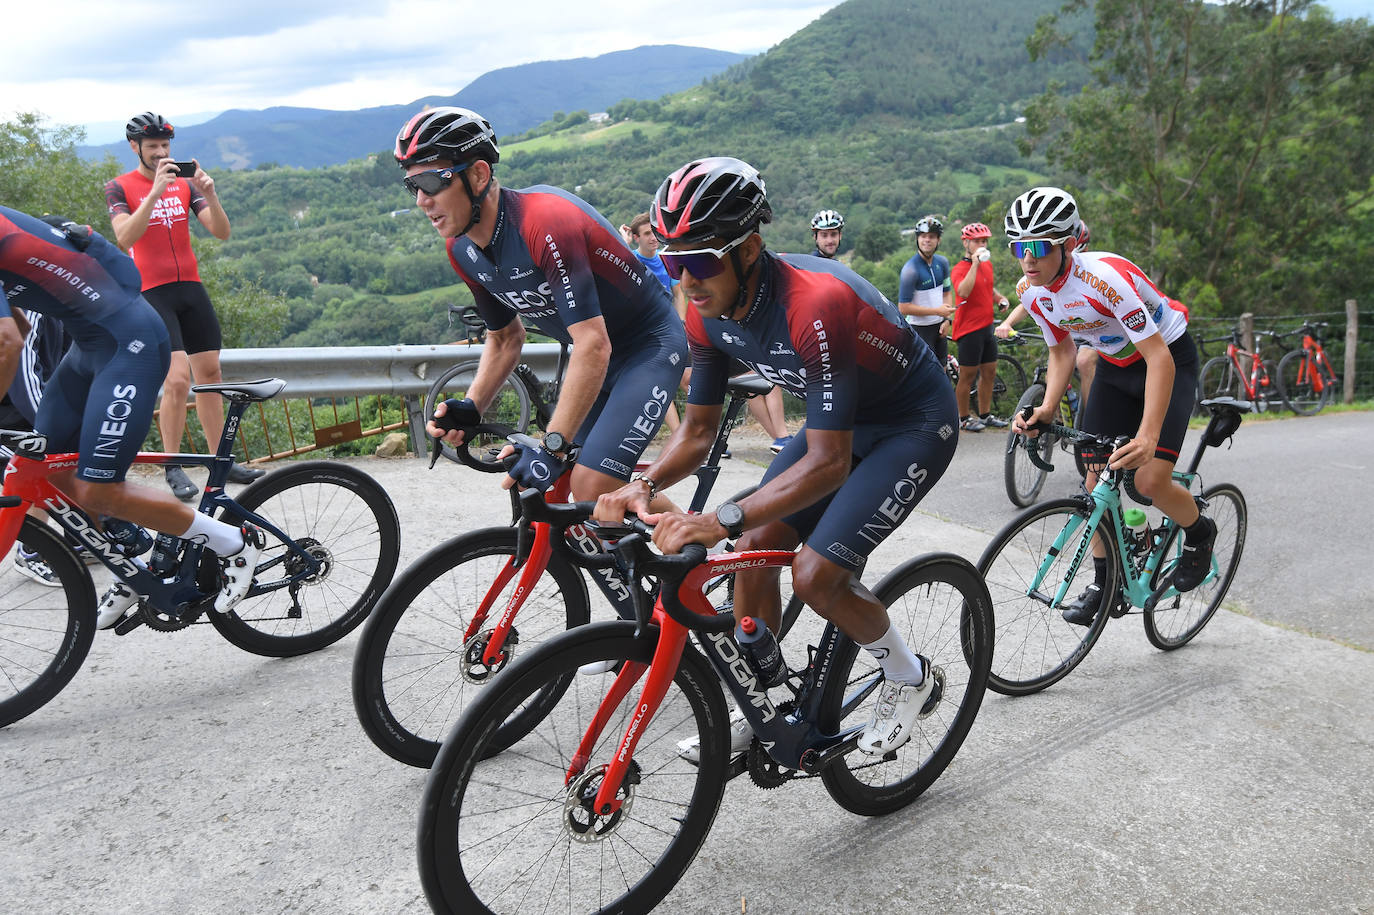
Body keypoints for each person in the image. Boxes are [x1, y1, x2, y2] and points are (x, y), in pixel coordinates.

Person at [594, 157, 959, 760]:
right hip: (835, 425)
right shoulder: (707, 313)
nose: (685, 279)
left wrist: (717, 519)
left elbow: (828, 464)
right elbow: (696, 432)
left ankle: (908, 675)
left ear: (749, 249)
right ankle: (769, 702)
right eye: (671, 261)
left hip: (909, 423)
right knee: (748, 556)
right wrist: (642, 483)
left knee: (815, 575)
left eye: (699, 261)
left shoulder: (814, 304)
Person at [401, 108, 686, 508]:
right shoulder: (461, 248)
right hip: (598, 359)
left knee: (592, 486)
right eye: (411, 185)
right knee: (558, 491)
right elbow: (504, 338)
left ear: (479, 175)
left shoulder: (544, 223)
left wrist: (551, 447)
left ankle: (690, 549)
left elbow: (593, 343)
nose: (420, 200)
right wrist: (472, 406)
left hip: (648, 347)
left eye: (431, 181)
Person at [0, 207, 263, 622]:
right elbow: (19, 328)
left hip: (131, 344)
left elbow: (6, 342)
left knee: (98, 490)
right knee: (47, 466)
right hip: (89, 347)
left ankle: (235, 542)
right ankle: (135, 568)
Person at [1006, 186, 1213, 621]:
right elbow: (1062, 351)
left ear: (1065, 245)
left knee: (1149, 482)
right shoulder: (1032, 290)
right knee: (1094, 475)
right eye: (1018, 247)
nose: (1027, 258)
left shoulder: (1104, 280)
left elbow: (1159, 357)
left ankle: (1199, 532)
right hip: (1117, 369)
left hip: (1168, 359)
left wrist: (1148, 435)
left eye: (1038, 246)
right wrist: (1046, 409)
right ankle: (1106, 582)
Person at [104, 112, 263, 500]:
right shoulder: (119, 187)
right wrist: (155, 192)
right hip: (152, 290)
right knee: (176, 379)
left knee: (210, 374)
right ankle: (172, 464)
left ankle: (219, 461)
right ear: (135, 148)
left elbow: (221, 232)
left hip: (190, 287)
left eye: (165, 146)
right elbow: (125, 237)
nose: (161, 154)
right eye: (153, 147)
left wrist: (209, 193)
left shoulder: (185, 184)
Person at [996, 219, 1097, 413]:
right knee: (1054, 369)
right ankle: (1053, 414)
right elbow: (1026, 305)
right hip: (1065, 334)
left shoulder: (1090, 275)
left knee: (1085, 361)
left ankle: (1090, 415)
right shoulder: (1042, 276)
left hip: (1091, 336)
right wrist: (1007, 323)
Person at [949, 222, 1011, 431]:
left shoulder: (988, 265)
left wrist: (999, 298)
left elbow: (988, 289)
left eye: (984, 241)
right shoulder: (959, 270)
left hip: (986, 327)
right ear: (966, 243)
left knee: (990, 372)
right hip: (968, 330)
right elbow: (964, 292)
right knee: (968, 376)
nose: (981, 244)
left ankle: (985, 415)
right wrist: (974, 264)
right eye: (977, 241)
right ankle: (963, 417)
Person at [898, 216, 954, 365]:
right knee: (928, 377)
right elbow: (903, 308)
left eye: (931, 237)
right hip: (919, 330)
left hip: (940, 327)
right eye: (923, 236)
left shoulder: (942, 263)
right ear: (917, 239)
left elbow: (947, 293)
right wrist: (937, 311)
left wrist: (947, 319)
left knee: (942, 369)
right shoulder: (910, 270)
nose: (927, 240)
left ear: (938, 240)